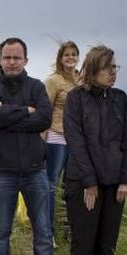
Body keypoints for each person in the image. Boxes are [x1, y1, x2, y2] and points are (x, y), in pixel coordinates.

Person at [0, 37, 70, 255]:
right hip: (2, 172)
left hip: (35, 171)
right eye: (7, 57)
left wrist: (8, 114)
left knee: (43, 231)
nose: (11, 61)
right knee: (1, 234)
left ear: (25, 60)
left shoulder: (36, 87)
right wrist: (24, 112)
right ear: (0, 58)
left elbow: (43, 118)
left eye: (17, 57)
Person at [63, 45, 127, 255]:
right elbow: (76, 143)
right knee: (84, 242)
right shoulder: (76, 99)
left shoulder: (120, 99)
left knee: (108, 245)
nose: (113, 73)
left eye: (116, 67)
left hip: (114, 184)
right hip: (83, 184)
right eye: (108, 68)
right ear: (93, 69)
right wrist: (89, 182)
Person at [43, 41, 79, 239]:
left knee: (72, 185)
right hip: (56, 136)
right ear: (60, 58)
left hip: (75, 139)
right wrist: (43, 136)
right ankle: (48, 231)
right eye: (67, 54)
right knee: (51, 184)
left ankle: (69, 229)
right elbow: (45, 108)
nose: (70, 58)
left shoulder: (81, 80)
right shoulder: (53, 81)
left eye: (74, 54)